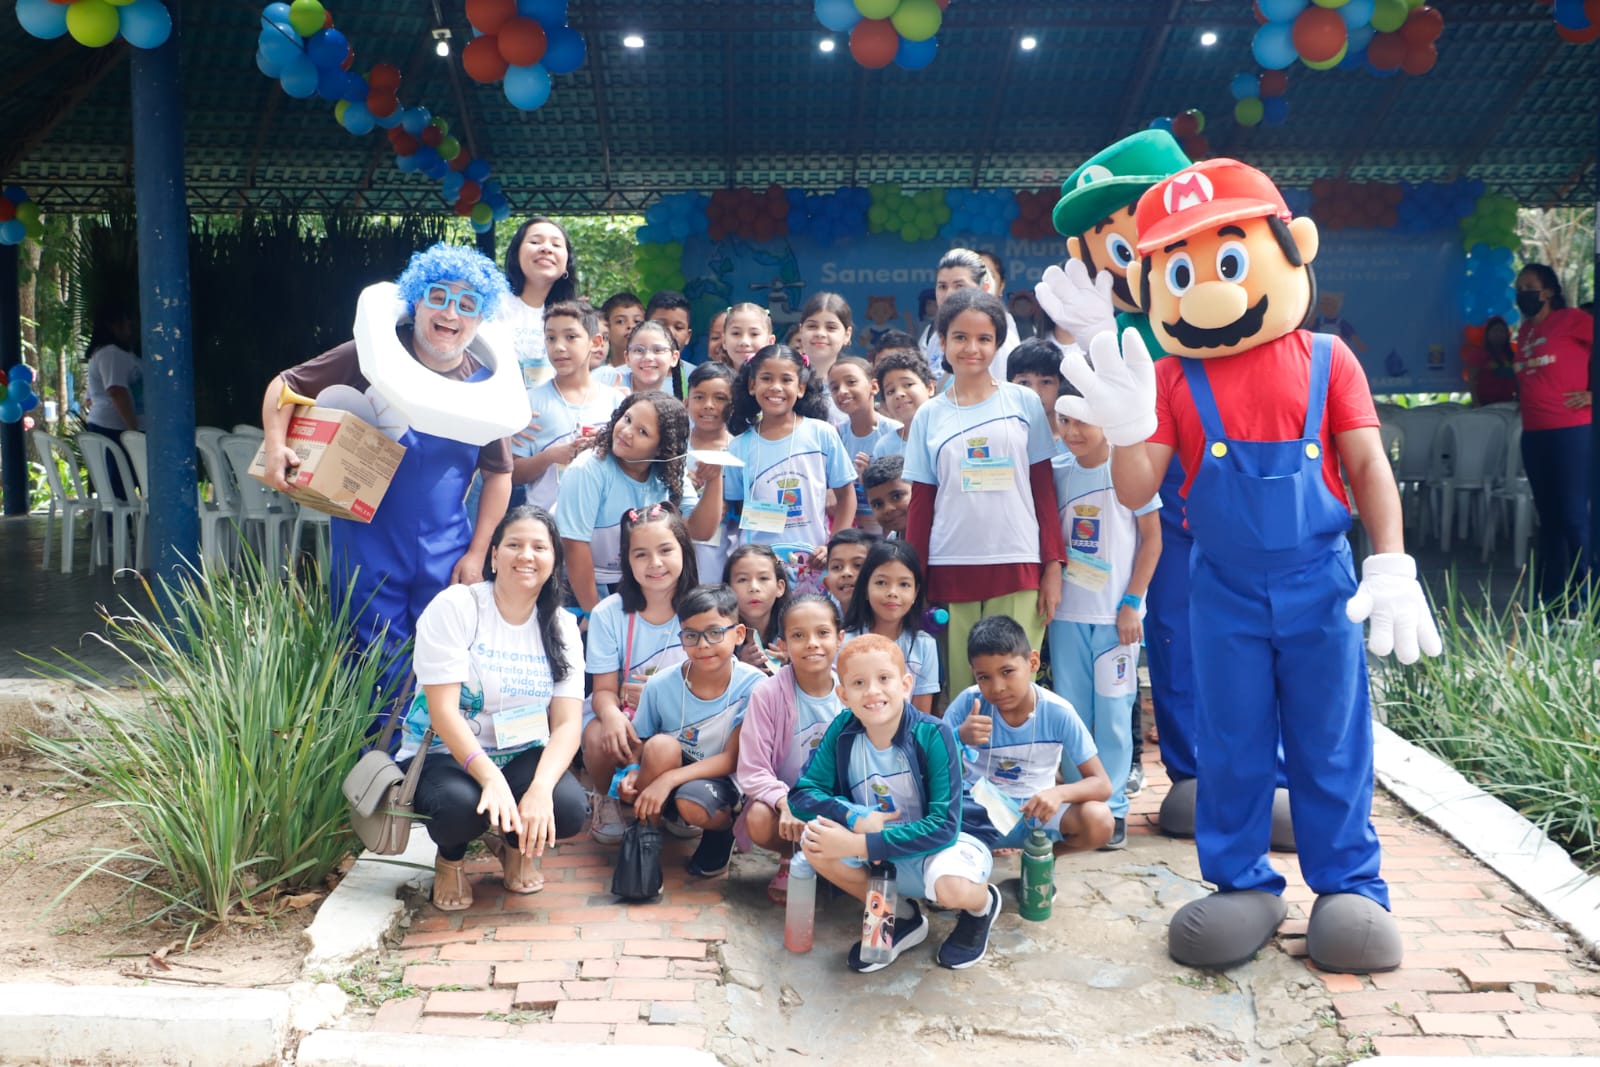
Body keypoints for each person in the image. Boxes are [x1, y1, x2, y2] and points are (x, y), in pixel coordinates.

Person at [1062, 157, 1441, 974]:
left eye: (1227, 263)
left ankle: (1350, 885)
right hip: (1221, 589)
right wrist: (1128, 426)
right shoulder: (1168, 375)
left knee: (1331, 739)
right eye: (1182, 271)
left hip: (1322, 586)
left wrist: (1391, 563)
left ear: (1291, 248)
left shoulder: (1329, 360)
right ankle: (1243, 883)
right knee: (1232, 741)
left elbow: (1369, 466)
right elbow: (1138, 490)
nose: (1207, 291)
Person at [260, 244, 517, 716]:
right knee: (370, 660)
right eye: (438, 296)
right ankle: (374, 771)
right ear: (416, 299)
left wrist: (478, 552)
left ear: (481, 319)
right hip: (367, 539)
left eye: (467, 304)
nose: (450, 313)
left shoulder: (485, 386)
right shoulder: (373, 356)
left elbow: (500, 473)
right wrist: (277, 447)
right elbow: (286, 385)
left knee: (440, 660)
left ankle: (429, 770)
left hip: (447, 548)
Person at [1037, 129, 1200, 839]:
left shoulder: (1201, 319)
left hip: (1211, 507)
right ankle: (1179, 776)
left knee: (1211, 639)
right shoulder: (1115, 334)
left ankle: (1236, 775)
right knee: (1163, 644)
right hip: (1146, 513)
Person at [400, 506, 586, 911]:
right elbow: (443, 711)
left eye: (540, 547)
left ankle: (516, 846)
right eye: (515, 545)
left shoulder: (562, 625)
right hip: (446, 752)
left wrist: (538, 789)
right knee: (457, 809)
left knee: (568, 808)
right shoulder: (457, 607)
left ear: (553, 560)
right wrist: (490, 777)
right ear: (494, 555)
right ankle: (450, 858)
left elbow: (569, 723)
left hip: (521, 750)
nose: (526, 556)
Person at [792, 633, 1003, 973]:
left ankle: (982, 907)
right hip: (884, 853)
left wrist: (861, 842)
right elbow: (802, 795)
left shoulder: (934, 734)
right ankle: (903, 916)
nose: (873, 691)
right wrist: (853, 816)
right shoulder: (843, 732)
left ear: (905, 685)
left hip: (945, 844)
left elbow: (944, 827)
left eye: (884, 679)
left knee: (951, 889)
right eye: (859, 683)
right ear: (843, 695)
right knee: (814, 841)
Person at [905, 287, 1065, 698]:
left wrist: (1052, 566)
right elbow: (921, 506)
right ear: (942, 341)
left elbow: (1043, 490)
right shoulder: (929, 414)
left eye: (983, 339)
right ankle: (966, 766)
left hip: (1019, 565)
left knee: (1016, 690)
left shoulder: (1023, 402)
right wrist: (915, 580)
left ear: (997, 343)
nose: (971, 348)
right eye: (960, 337)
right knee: (963, 692)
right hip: (950, 568)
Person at [1049, 387, 1162, 849]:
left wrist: (1132, 603)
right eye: (1064, 420)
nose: (1073, 432)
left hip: (1116, 620)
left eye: (1082, 421)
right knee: (1073, 713)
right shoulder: (1056, 473)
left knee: (1114, 714)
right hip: (1066, 616)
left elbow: (1152, 541)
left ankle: (1112, 808)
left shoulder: (1129, 471)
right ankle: (1082, 805)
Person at [620, 583, 765, 877]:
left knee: (692, 801)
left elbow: (732, 759)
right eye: (691, 635)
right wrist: (634, 771)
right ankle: (647, 836)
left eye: (714, 633)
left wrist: (668, 780)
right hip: (672, 768)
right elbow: (642, 742)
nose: (703, 645)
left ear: (738, 634)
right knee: (661, 747)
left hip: (722, 779)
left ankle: (722, 831)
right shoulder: (660, 684)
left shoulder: (755, 685)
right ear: (681, 639)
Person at [946, 615, 1114, 854]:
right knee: (925, 810)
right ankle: (969, 862)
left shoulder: (1058, 712)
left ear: (1033, 662)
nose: (997, 687)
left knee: (1099, 819)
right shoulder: (968, 703)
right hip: (977, 814)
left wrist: (1058, 793)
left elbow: (1102, 784)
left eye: (1007, 671)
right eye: (984, 677)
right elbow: (928, 761)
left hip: (1037, 813)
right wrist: (958, 737)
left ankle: (1043, 857)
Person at [582, 502, 698, 844]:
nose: (655, 564)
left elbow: (719, 678)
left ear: (684, 552)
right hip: (630, 715)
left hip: (687, 716)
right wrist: (613, 715)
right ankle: (607, 798)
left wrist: (666, 689)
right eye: (641, 555)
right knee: (599, 733)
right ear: (626, 561)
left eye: (665, 550)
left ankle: (676, 801)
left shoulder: (702, 607)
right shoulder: (608, 614)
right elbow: (603, 689)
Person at [554, 391, 719, 613]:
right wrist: (594, 614)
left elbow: (700, 531)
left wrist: (714, 481)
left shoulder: (668, 473)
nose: (626, 432)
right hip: (579, 588)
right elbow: (574, 546)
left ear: (661, 448)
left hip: (635, 582)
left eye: (643, 431)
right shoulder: (588, 469)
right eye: (627, 419)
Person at [734, 594, 846, 903]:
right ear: (783, 645)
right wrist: (786, 803)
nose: (812, 643)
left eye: (822, 633)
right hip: (788, 806)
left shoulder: (851, 691)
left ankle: (836, 863)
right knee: (758, 816)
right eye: (798, 635)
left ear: (840, 638)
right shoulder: (768, 694)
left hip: (842, 803)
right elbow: (753, 769)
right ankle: (791, 857)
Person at [1512, 263, 1593, 607]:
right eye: (1519, 287)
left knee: (1574, 517)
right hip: (1535, 435)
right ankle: (1554, 601)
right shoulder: (1526, 331)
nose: (1522, 293)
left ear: (1548, 292)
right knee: (1549, 521)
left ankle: (1588, 600)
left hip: (1572, 432)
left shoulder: (1574, 320)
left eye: (1529, 286)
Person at [725, 344, 856, 548]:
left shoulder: (822, 434)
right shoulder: (738, 447)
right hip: (759, 568)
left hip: (814, 560)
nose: (776, 387)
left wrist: (834, 546)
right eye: (766, 378)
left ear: (801, 387)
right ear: (752, 385)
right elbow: (737, 507)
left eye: (786, 380)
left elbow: (847, 495)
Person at [511, 301, 620, 512]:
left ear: (595, 342)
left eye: (571, 337)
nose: (559, 347)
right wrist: (551, 456)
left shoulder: (616, 402)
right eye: (551, 338)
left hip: (602, 518)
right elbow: (513, 473)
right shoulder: (530, 402)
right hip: (547, 525)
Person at [842, 539, 939, 713]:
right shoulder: (844, 643)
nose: (892, 592)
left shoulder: (925, 645)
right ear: (865, 588)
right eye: (881, 582)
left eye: (904, 584)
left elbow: (921, 715)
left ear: (915, 592)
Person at [502, 217, 580, 389]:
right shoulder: (494, 303)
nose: (546, 249)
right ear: (516, 255)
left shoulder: (570, 317)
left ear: (567, 264)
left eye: (556, 245)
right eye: (535, 241)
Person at [830, 356, 901, 533]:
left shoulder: (896, 433)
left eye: (851, 382)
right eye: (834, 387)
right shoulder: (835, 435)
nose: (842, 391)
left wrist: (871, 477)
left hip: (889, 532)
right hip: (853, 535)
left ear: (874, 387)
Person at [82, 304, 141, 498]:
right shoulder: (110, 353)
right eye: (125, 320)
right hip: (115, 429)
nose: (129, 325)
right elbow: (116, 391)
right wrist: (134, 429)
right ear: (112, 325)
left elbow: (90, 400)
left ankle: (118, 525)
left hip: (112, 426)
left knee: (119, 486)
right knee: (120, 486)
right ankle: (116, 527)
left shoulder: (116, 353)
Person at [686, 361, 737, 582]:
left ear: (733, 406)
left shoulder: (740, 449)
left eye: (720, 398)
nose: (708, 405)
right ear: (687, 402)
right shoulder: (674, 447)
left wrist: (729, 504)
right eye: (699, 397)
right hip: (680, 553)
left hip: (723, 557)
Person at [725, 542, 789, 675]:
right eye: (742, 580)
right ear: (728, 589)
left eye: (763, 578)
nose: (754, 587)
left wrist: (791, 664)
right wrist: (737, 666)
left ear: (780, 587)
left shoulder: (794, 632)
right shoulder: (721, 636)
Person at [1006, 338, 1071, 456]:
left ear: (1060, 385)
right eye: (1024, 383)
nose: (1035, 392)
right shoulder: (1002, 440)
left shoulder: (1075, 440)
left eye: (1046, 382)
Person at [871, 349, 936, 460]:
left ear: (930, 388)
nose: (899, 394)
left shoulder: (951, 434)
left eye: (908, 384)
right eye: (890, 391)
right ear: (885, 404)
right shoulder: (885, 447)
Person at [593, 320, 682, 397]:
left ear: (674, 358)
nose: (648, 357)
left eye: (657, 350)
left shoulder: (671, 401)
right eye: (639, 350)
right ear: (627, 358)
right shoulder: (606, 377)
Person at [1462, 316, 1518, 407]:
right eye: (1495, 331)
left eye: (1502, 331)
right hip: (1484, 404)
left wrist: (1518, 398)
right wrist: (1476, 403)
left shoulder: (1511, 355)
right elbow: (1472, 380)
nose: (1499, 334)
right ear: (1488, 334)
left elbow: (1518, 379)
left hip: (1508, 403)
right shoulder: (1478, 354)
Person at [821, 527, 877, 612]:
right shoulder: (824, 620)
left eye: (858, 565)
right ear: (827, 584)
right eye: (837, 567)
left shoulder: (888, 622)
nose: (846, 573)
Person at [862, 455, 910, 539]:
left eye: (897, 496)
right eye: (877, 504)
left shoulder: (938, 539)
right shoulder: (892, 539)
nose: (888, 508)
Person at [721, 303, 777, 368]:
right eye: (736, 333)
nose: (744, 342)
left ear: (770, 342)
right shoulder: (714, 377)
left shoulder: (778, 377)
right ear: (724, 341)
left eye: (754, 334)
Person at [601, 291, 645, 369]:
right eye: (620, 321)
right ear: (606, 329)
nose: (631, 326)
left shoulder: (653, 374)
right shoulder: (595, 374)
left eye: (637, 321)